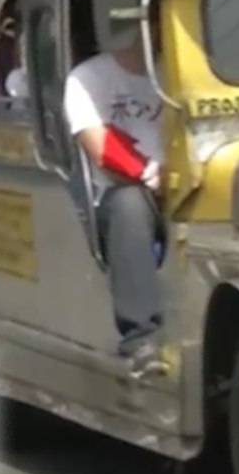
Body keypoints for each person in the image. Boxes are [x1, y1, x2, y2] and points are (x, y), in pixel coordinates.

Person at [63, 29, 166, 368]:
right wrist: (154, 178)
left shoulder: (203, 71)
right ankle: (141, 337)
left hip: (198, 180)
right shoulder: (89, 79)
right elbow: (101, 149)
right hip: (127, 189)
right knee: (130, 204)